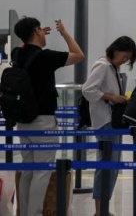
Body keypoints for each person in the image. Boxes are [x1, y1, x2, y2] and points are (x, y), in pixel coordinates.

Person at [12, 18, 84, 216]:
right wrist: (64, 33)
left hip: (22, 120)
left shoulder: (17, 54)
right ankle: (34, 213)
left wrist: (28, 37)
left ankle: (25, 212)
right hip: (43, 121)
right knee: (42, 171)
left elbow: (22, 44)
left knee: (28, 170)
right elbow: (79, 55)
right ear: (37, 31)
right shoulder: (46, 57)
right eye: (40, 31)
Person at [82, 35, 136, 216]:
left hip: (112, 121)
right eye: (124, 56)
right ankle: (100, 211)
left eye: (128, 59)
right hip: (105, 122)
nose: (125, 60)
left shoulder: (112, 67)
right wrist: (112, 97)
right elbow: (88, 89)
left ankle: (103, 208)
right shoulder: (103, 65)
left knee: (112, 166)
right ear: (116, 50)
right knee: (106, 165)